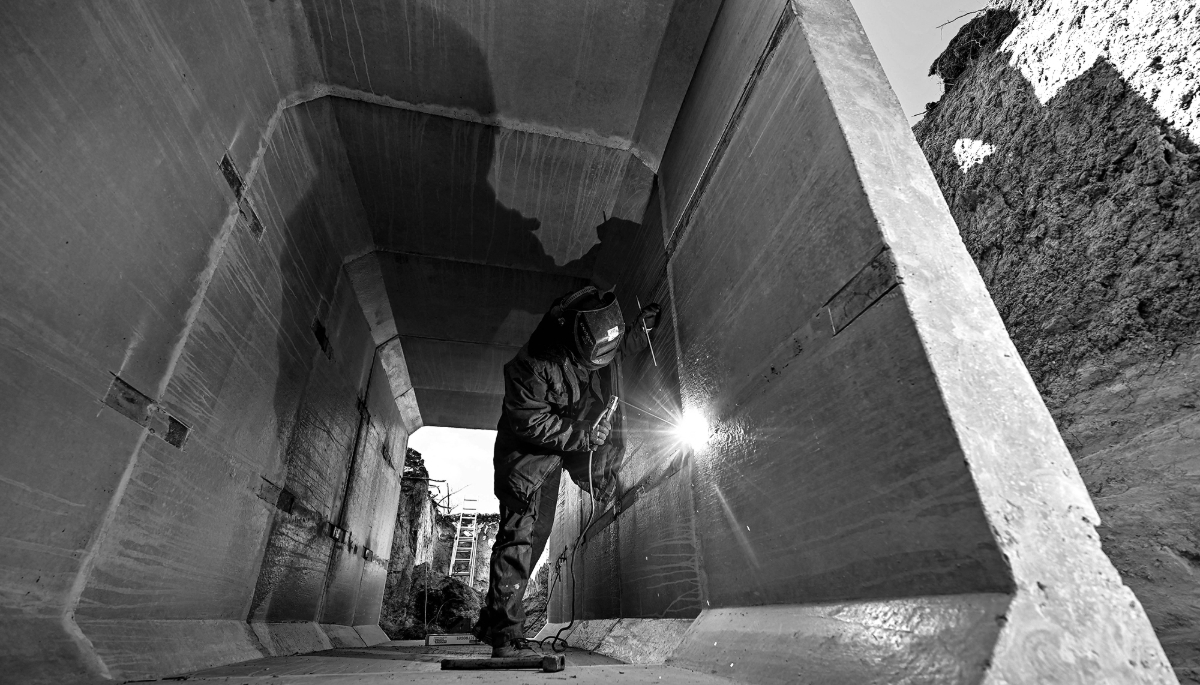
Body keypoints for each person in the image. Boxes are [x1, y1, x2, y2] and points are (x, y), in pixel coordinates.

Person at [472, 285, 660, 657]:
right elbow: (528, 422)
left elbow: (611, 355)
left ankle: (494, 623)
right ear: (573, 341)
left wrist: (637, 334)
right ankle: (503, 639)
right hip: (526, 464)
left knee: (534, 539)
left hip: (559, 451)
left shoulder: (589, 338)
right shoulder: (532, 365)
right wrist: (583, 435)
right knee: (520, 542)